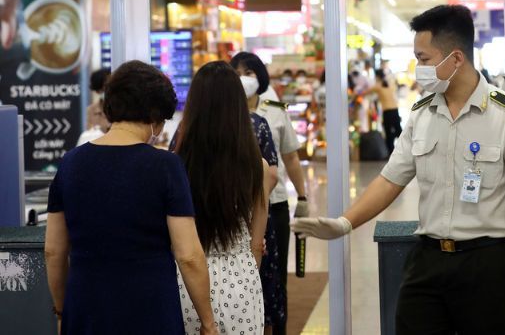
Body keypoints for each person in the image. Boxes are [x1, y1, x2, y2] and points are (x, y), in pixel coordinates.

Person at [294, 5, 505, 335]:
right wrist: (345, 222)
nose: (419, 68)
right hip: (428, 259)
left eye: (425, 59)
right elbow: (390, 180)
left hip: (486, 263)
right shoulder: (421, 114)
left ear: (456, 59)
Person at [44, 60, 218, 335]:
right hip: (150, 308)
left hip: (86, 307)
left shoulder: (70, 163)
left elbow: (53, 250)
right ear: (154, 115)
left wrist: (62, 310)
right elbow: (189, 256)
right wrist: (207, 322)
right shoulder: (165, 166)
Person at [173, 61, 276, 334]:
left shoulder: (176, 165)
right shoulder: (257, 166)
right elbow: (257, 244)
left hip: (186, 282)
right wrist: (246, 270)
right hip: (241, 281)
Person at [232, 52, 311, 335]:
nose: (244, 79)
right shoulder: (225, 111)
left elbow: (290, 156)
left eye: (250, 73)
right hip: (236, 210)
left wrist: (302, 197)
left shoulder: (275, 110)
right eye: (238, 72)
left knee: (276, 278)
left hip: (273, 205)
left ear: (261, 77)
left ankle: (278, 328)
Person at [367, 69, 402, 153]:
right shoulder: (389, 83)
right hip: (395, 110)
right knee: (399, 131)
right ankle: (405, 150)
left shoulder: (378, 85)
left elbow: (365, 92)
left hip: (387, 112)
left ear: (377, 76)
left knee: (388, 132)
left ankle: (391, 152)